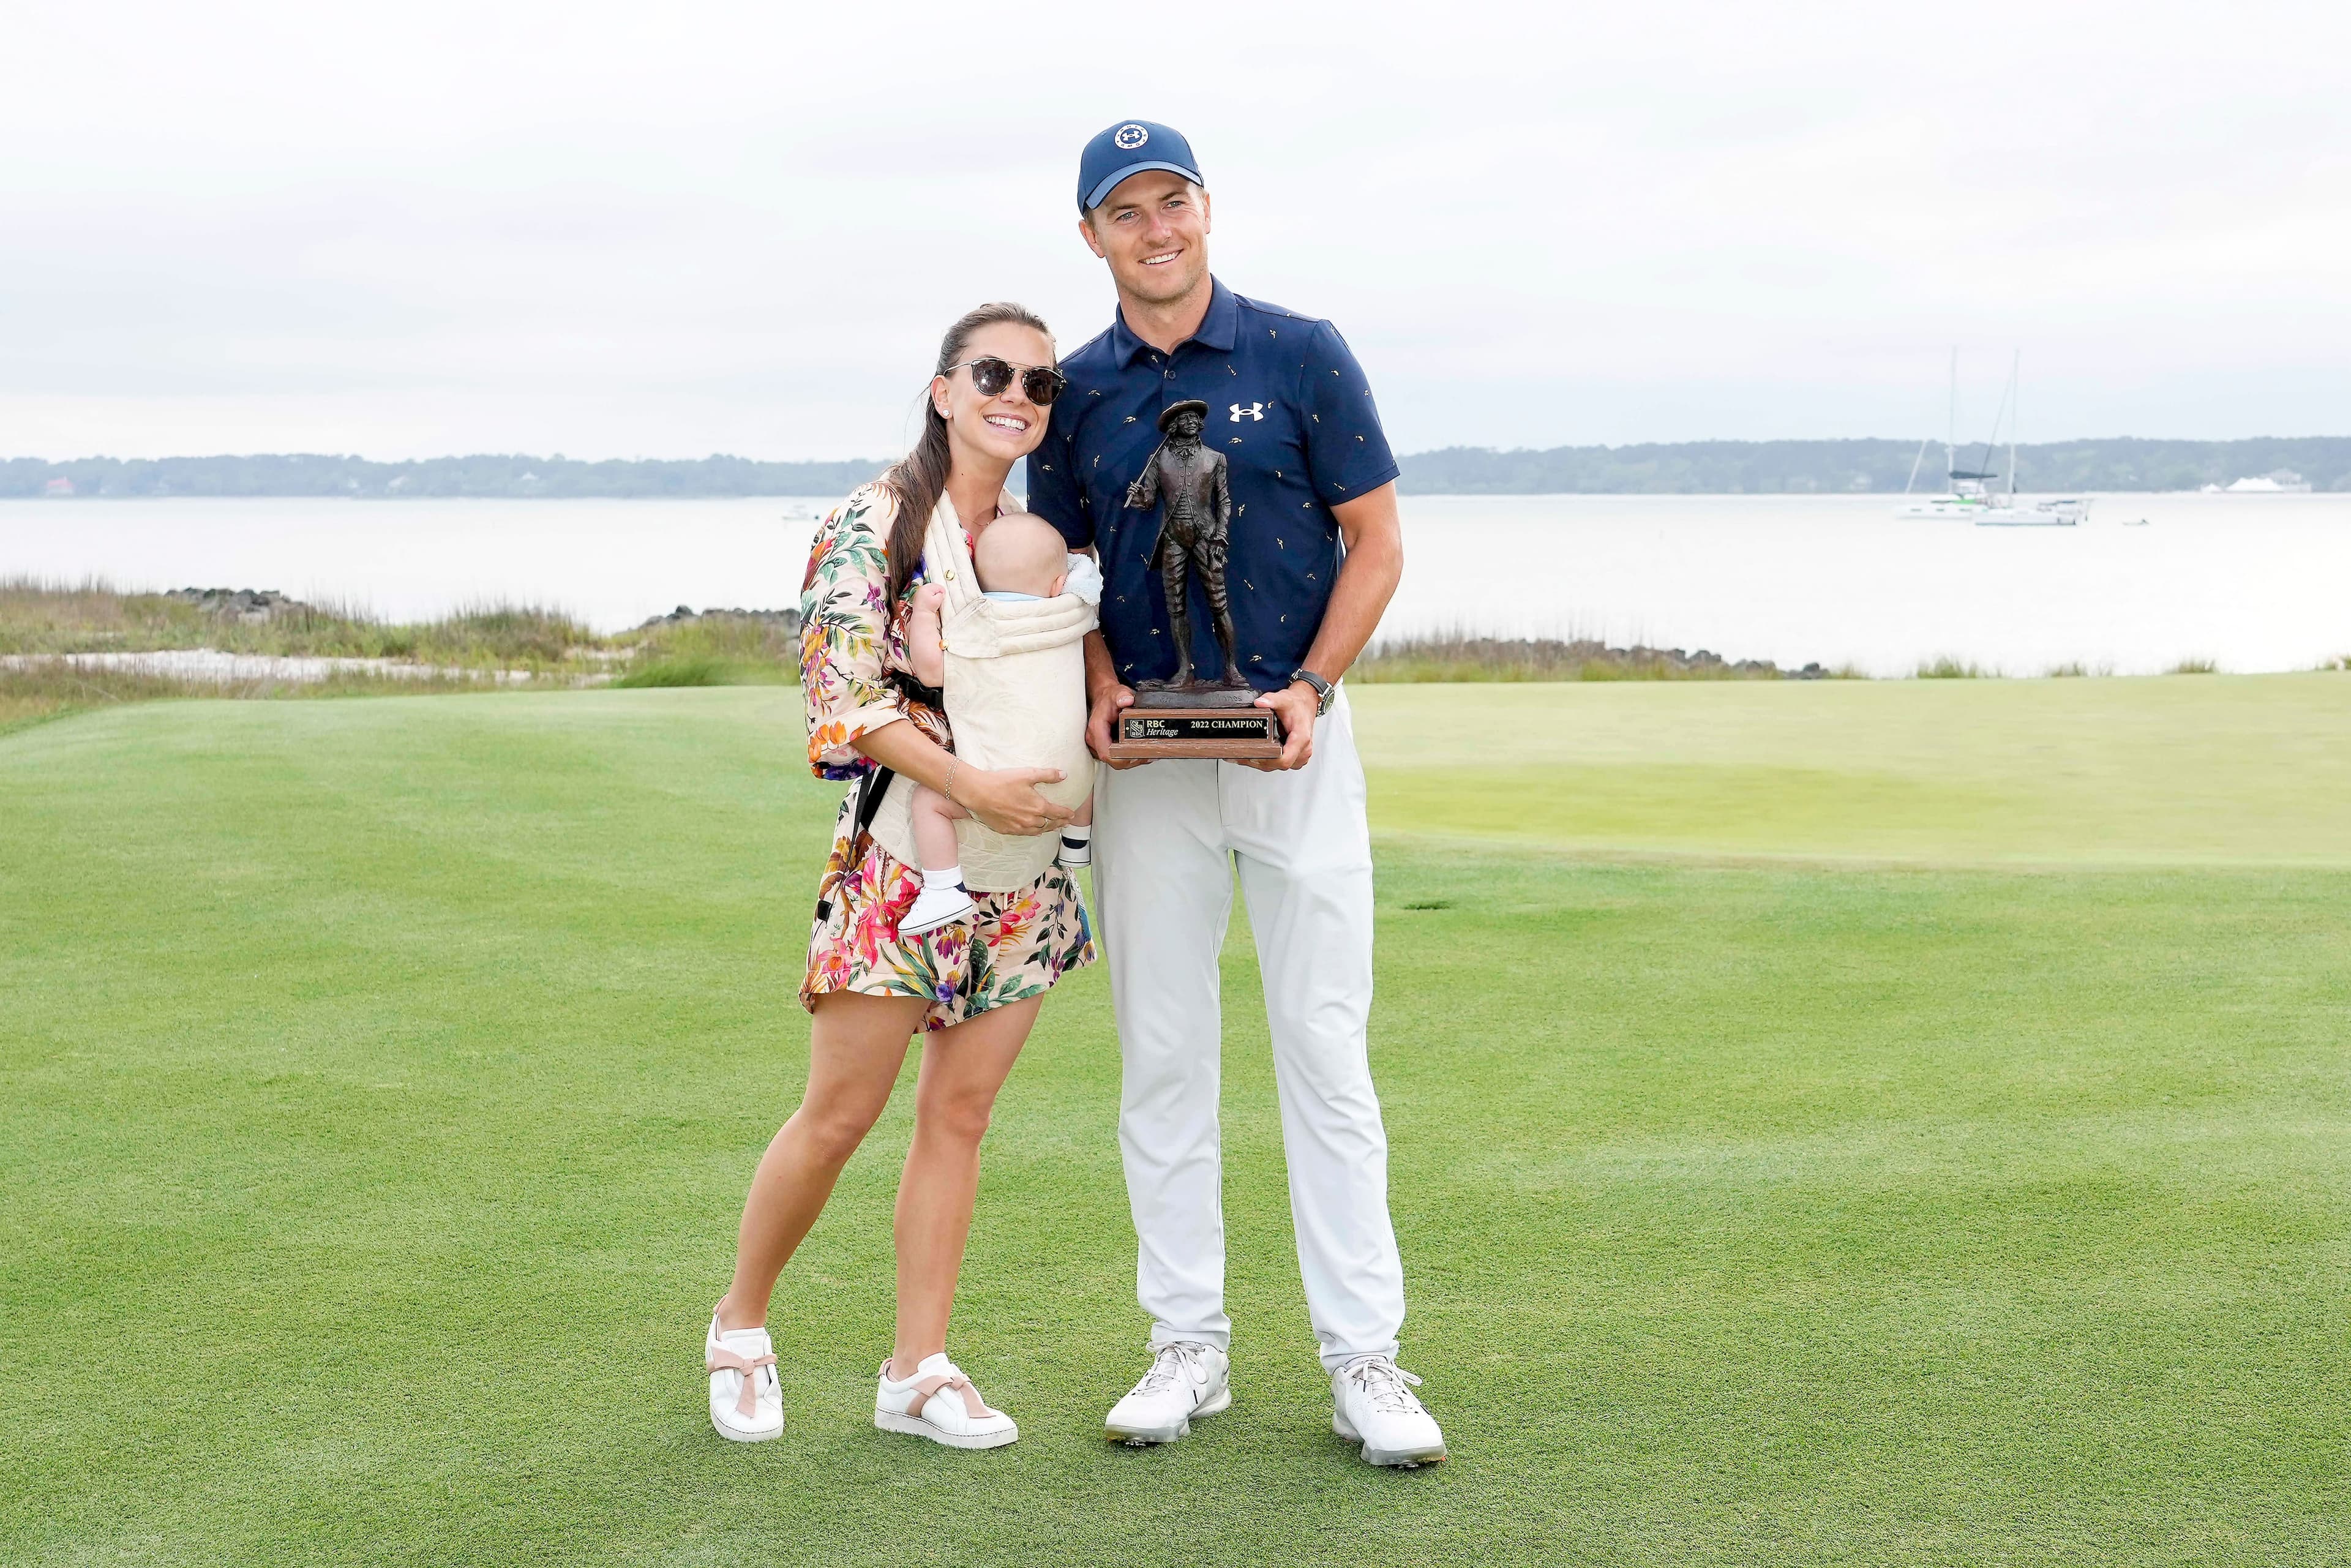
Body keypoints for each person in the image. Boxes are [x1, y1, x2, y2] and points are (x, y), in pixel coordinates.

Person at [1026, 121, 1449, 1466]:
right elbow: (1063, 570)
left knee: (1324, 1045)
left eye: (1176, 203)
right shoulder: (1074, 389)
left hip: (1295, 744)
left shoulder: (1301, 349)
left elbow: (1377, 539)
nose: (1158, 230)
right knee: (1163, 1056)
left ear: (1207, 211)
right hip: (1149, 773)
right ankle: (1188, 1342)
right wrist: (1097, 692)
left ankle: (1363, 1359)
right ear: (1090, 235)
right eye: (1127, 213)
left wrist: (1314, 687)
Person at [705, 302, 1090, 1452]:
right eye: (992, 372)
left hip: (1020, 874)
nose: (1015, 394)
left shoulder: (1030, 542)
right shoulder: (872, 524)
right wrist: (972, 788)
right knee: (838, 1116)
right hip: (901, 867)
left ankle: (917, 1369)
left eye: (1039, 382)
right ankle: (739, 1327)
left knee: (960, 1118)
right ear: (941, 389)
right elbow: (849, 704)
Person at [899, 512, 1098, 937]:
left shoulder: (977, 627)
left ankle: (942, 887)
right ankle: (1078, 843)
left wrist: (922, 614)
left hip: (997, 783)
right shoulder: (1071, 618)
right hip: (1076, 786)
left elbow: (930, 669)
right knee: (1071, 739)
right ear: (1058, 585)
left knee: (926, 802)